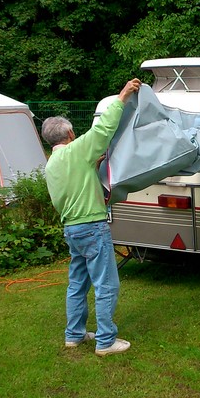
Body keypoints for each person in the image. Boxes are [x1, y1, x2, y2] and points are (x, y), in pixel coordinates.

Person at [41, 78, 141, 356]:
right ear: (70, 134)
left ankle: (73, 334)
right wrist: (123, 94)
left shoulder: (52, 164)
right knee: (106, 283)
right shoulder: (77, 151)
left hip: (72, 229)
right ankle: (106, 341)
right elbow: (104, 128)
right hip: (92, 227)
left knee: (77, 283)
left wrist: (92, 165)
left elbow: (71, 188)